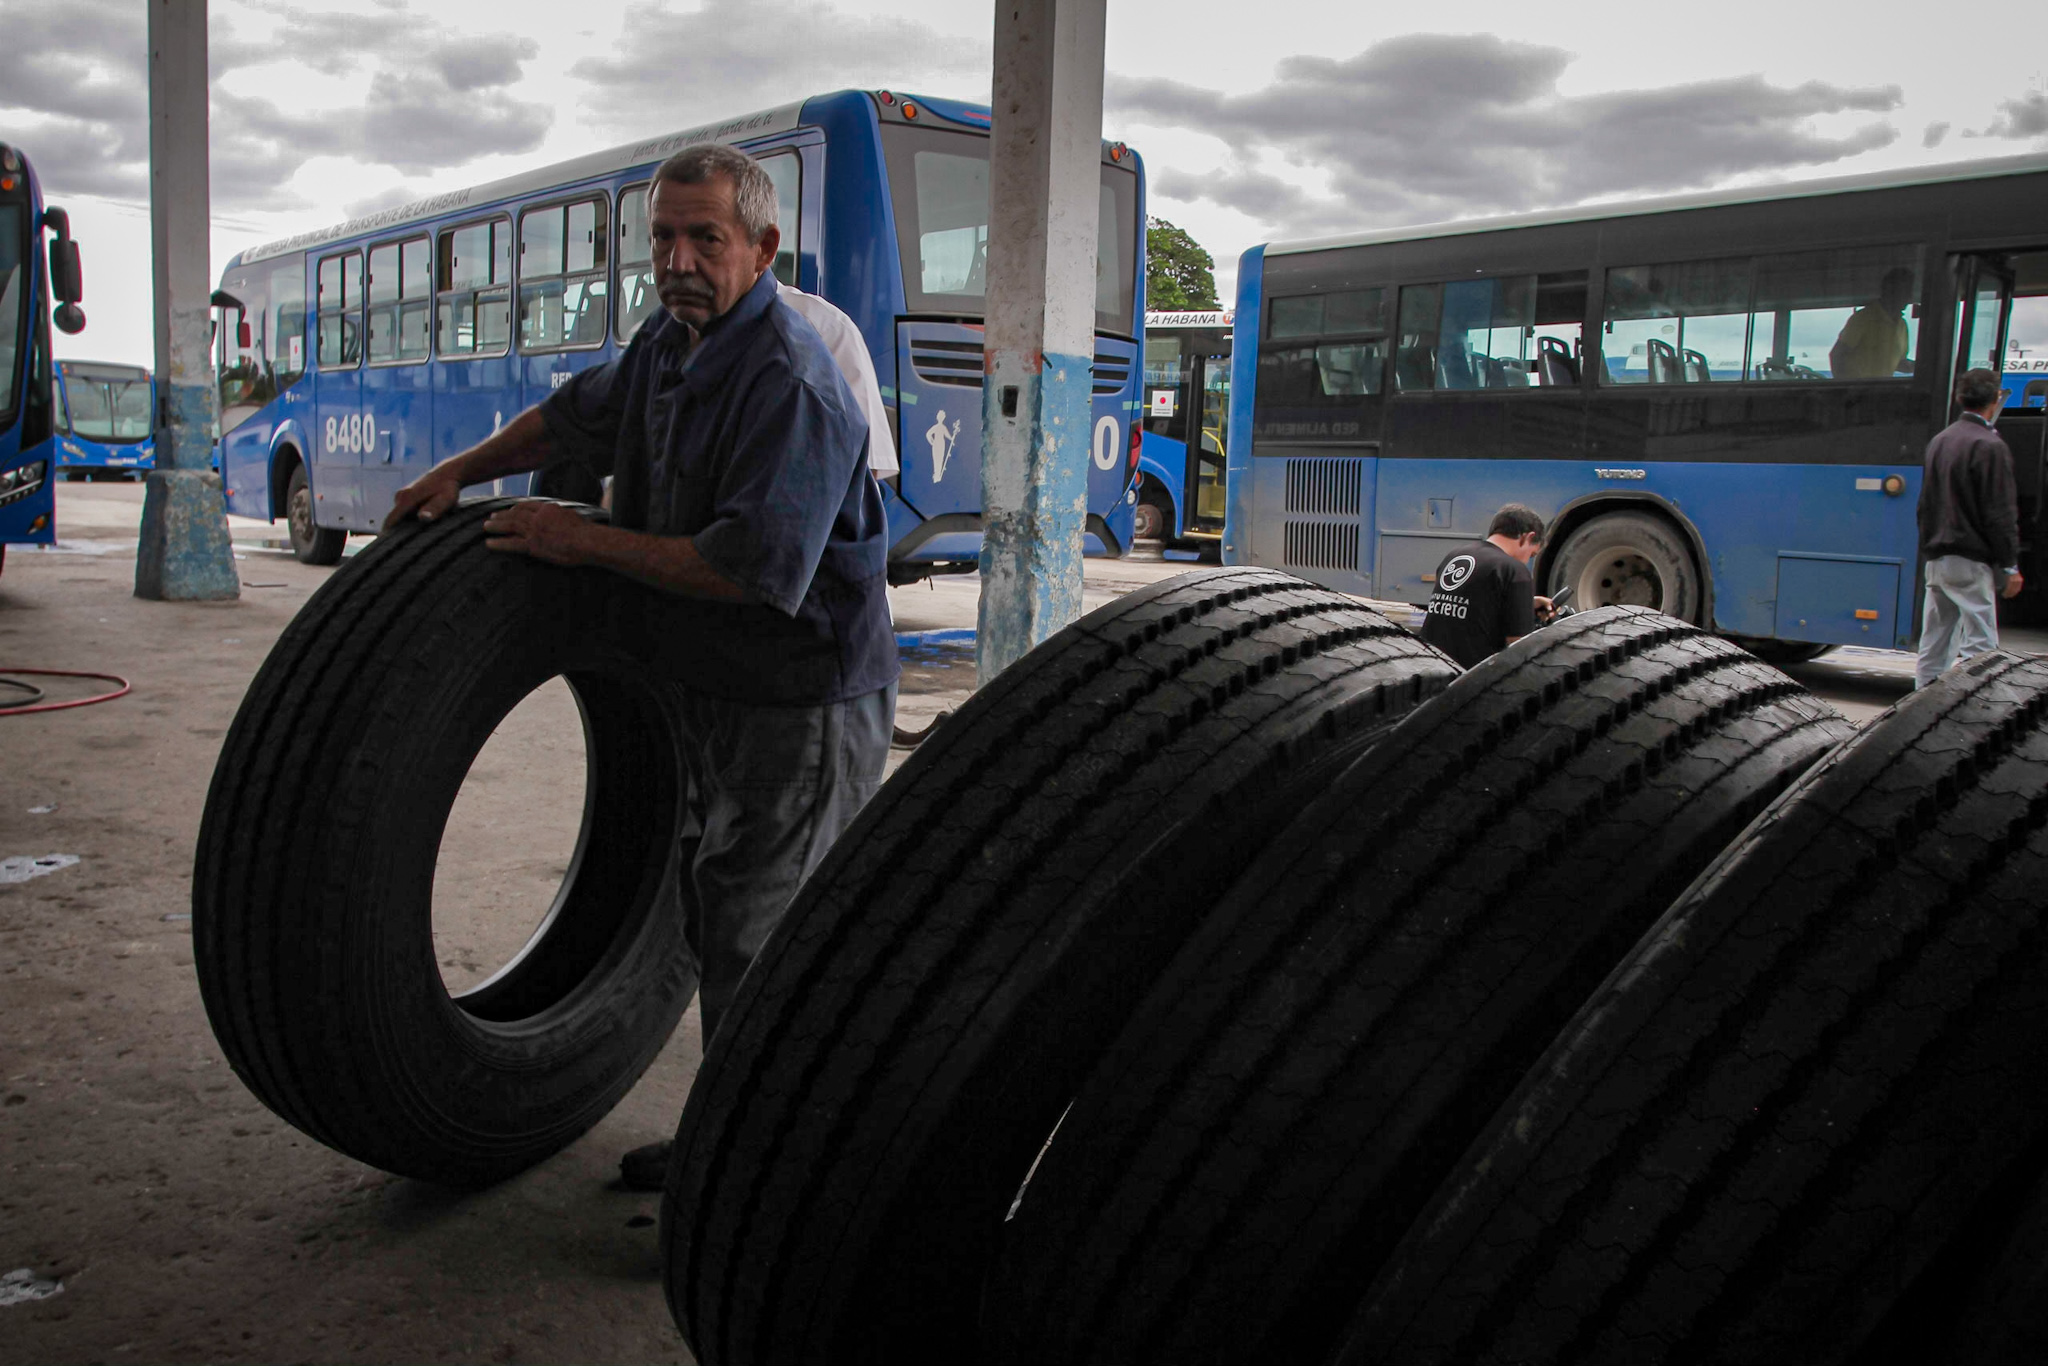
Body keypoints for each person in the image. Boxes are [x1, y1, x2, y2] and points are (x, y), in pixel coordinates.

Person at [383, 143, 898, 1190]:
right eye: (662, 237)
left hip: (799, 701)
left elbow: (748, 572)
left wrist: (581, 541)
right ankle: (730, 1136)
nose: (678, 260)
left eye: (705, 238)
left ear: (762, 248)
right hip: (711, 685)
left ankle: (757, 1187)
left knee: (764, 940)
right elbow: (573, 415)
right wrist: (460, 470)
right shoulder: (670, 344)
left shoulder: (791, 381)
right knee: (713, 911)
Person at [1916, 367, 2022, 687]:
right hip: (1970, 558)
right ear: (1995, 400)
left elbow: (1925, 505)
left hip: (1937, 558)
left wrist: (1929, 547)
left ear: (1960, 398)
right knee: (1981, 646)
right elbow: (1999, 513)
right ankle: (1981, 705)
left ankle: (1920, 704)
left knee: (1935, 643)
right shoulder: (1990, 445)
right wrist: (2009, 564)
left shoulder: (1940, 440)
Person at [1418, 503, 1553, 668]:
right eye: (1531, 554)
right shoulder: (1514, 570)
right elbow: (1519, 649)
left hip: (1431, 665)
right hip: (1470, 675)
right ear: (1527, 537)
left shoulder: (1455, 555)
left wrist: (1526, 603)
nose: (1526, 561)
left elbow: (1476, 605)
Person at [1830, 267, 1917, 380]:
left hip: (1881, 390)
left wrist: (1922, 366)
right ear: (1888, 290)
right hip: (1858, 390)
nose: (1909, 297)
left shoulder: (1902, 326)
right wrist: (1846, 387)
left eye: (1909, 292)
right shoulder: (1863, 318)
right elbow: (1836, 355)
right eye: (1904, 291)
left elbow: (1899, 363)